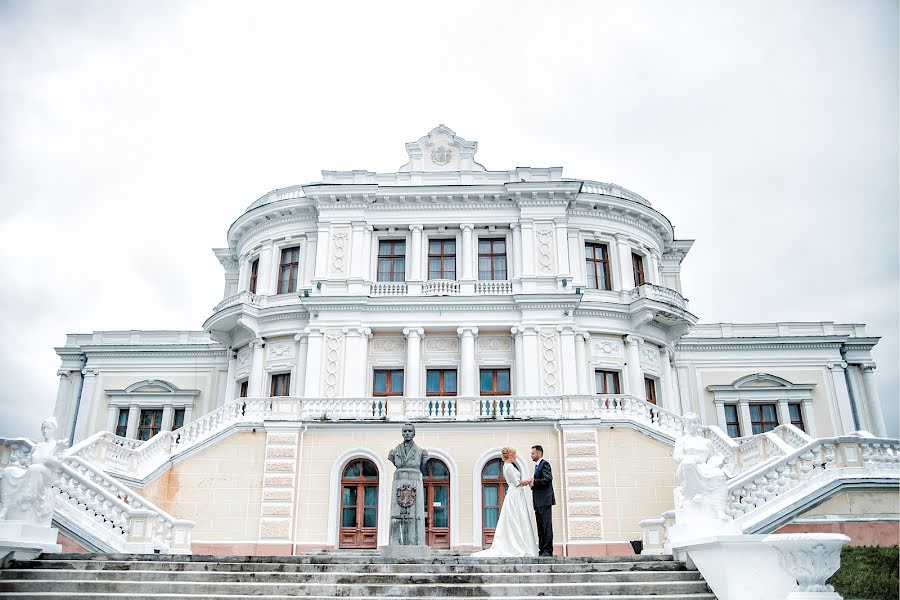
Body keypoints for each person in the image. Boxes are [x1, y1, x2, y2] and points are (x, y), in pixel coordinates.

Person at [471, 447, 538, 557]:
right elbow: (516, 483)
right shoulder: (508, 467)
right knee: (515, 518)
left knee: (518, 518)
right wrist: (529, 481)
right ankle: (517, 545)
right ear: (510, 455)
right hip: (514, 495)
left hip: (517, 494)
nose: (516, 457)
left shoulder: (508, 466)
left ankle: (521, 542)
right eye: (514, 455)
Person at [521, 444, 555, 556]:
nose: (531, 455)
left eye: (533, 453)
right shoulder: (537, 466)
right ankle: (542, 550)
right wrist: (533, 485)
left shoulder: (544, 464)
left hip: (545, 501)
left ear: (539, 453)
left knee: (546, 526)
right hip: (538, 501)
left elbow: (548, 479)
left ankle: (548, 550)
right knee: (540, 527)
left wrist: (534, 482)